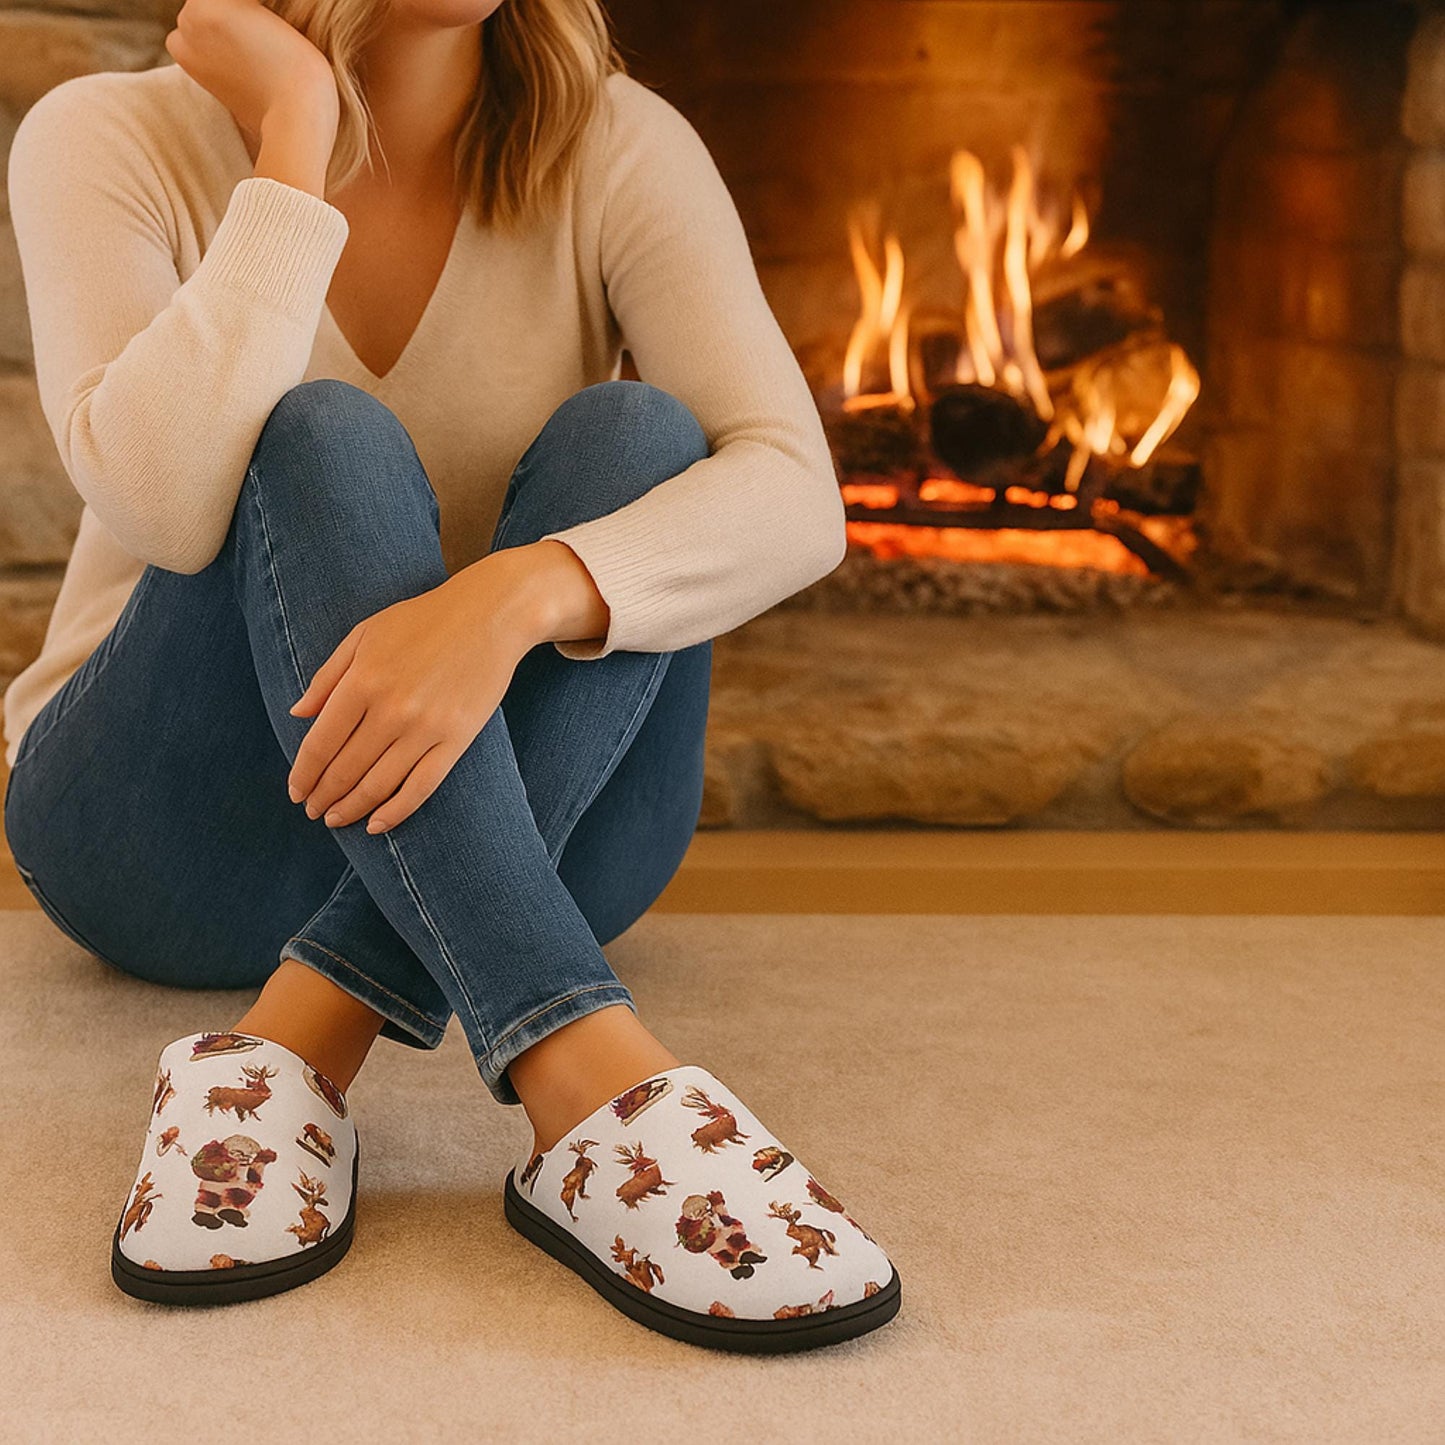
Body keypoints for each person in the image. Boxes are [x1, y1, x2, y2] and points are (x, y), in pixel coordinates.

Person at [3, 0, 900, 1351]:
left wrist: (509, 596)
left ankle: (299, 1036)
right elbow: (164, 506)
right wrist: (291, 148)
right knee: (319, 435)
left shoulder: (617, 147)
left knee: (646, 432)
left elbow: (795, 491)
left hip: (545, 829)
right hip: (167, 835)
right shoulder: (107, 136)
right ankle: (585, 1071)